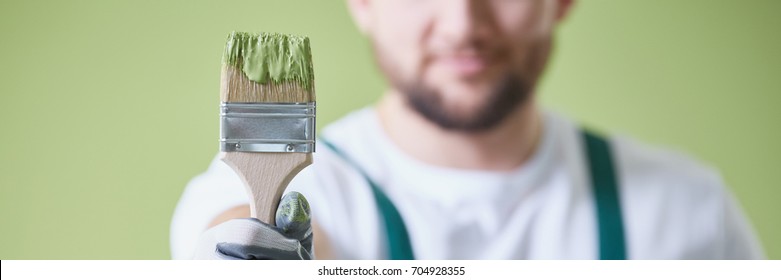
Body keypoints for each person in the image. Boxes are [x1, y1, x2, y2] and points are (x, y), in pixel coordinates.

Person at [171, 0, 764, 259]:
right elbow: (226, 230)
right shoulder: (267, 197)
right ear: (362, 0)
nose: (462, 23)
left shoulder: (689, 214)